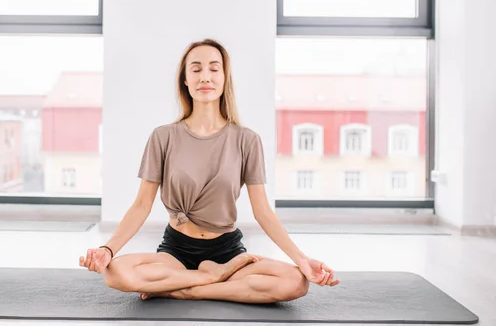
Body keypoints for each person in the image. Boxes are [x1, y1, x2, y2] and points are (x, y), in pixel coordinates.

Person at [80, 39, 339, 303]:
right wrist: (108, 250)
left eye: (214, 69)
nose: (205, 76)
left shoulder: (246, 140)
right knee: (116, 274)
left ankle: (182, 289)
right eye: (196, 69)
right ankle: (212, 278)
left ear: (225, 78)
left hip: (227, 252)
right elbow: (141, 204)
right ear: (185, 80)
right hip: (176, 251)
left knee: (296, 282)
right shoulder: (163, 136)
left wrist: (303, 260)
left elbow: (263, 211)